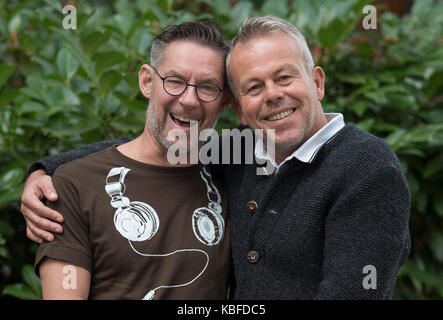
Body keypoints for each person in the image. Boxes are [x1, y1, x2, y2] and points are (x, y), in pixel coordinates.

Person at [22, 16, 411, 299]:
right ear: (240, 110)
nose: (272, 94)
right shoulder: (242, 150)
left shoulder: (367, 170)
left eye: (285, 77)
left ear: (318, 82)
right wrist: (49, 169)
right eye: (254, 87)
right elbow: (158, 145)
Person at [28, 21, 232, 300]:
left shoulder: (235, 175)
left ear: (224, 102)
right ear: (147, 82)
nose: (189, 99)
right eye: (174, 81)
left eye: (207, 87)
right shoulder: (74, 185)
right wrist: (40, 171)